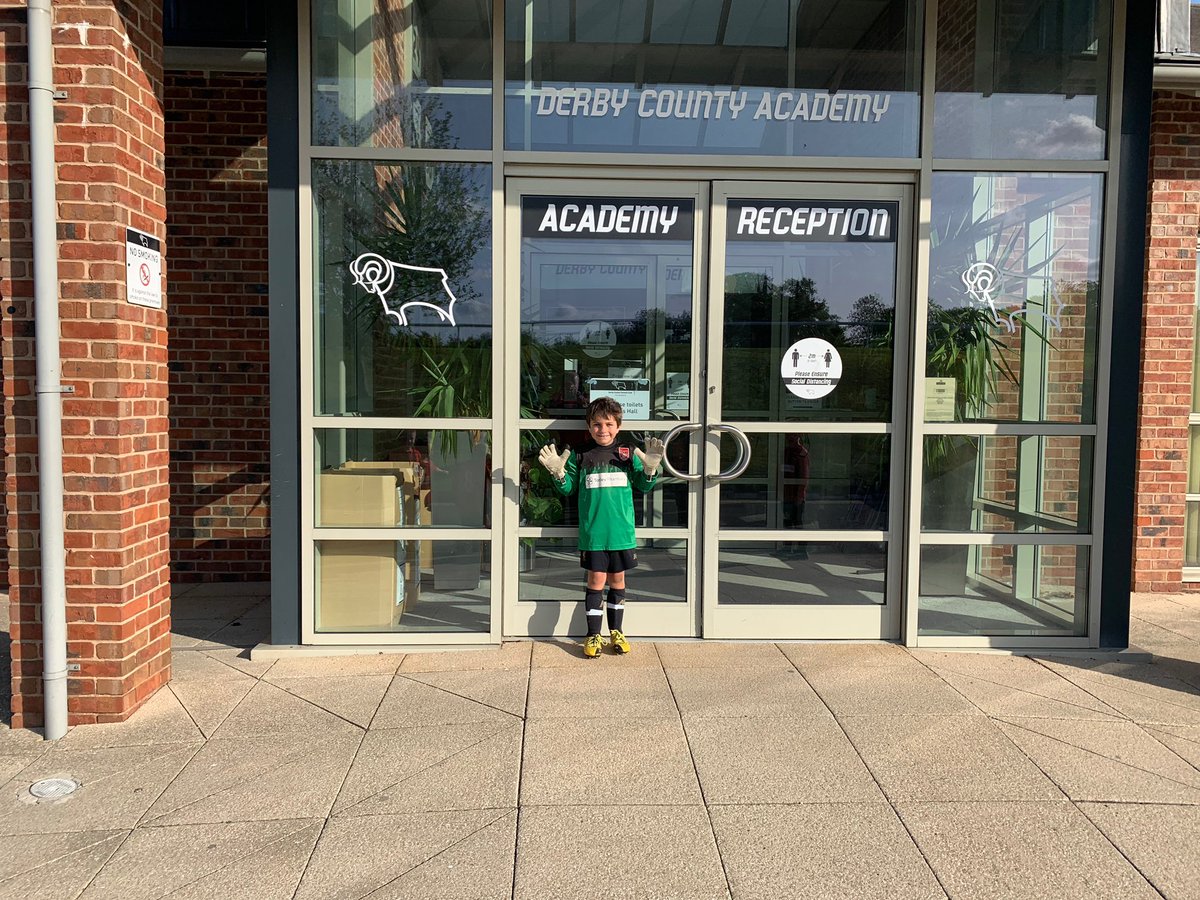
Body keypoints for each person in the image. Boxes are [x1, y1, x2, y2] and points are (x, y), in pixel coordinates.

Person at [536, 396, 664, 658]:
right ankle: (593, 635)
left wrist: (650, 470)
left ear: (618, 425)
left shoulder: (629, 453)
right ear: (588, 426)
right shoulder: (580, 455)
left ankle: (616, 632)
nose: (602, 429)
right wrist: (558, 474)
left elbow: (643, 485)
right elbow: (570, 488)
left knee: (618, 580)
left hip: (621, 534)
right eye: (596, 424)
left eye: (608, 424)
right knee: (595, 581)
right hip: (594, 535)